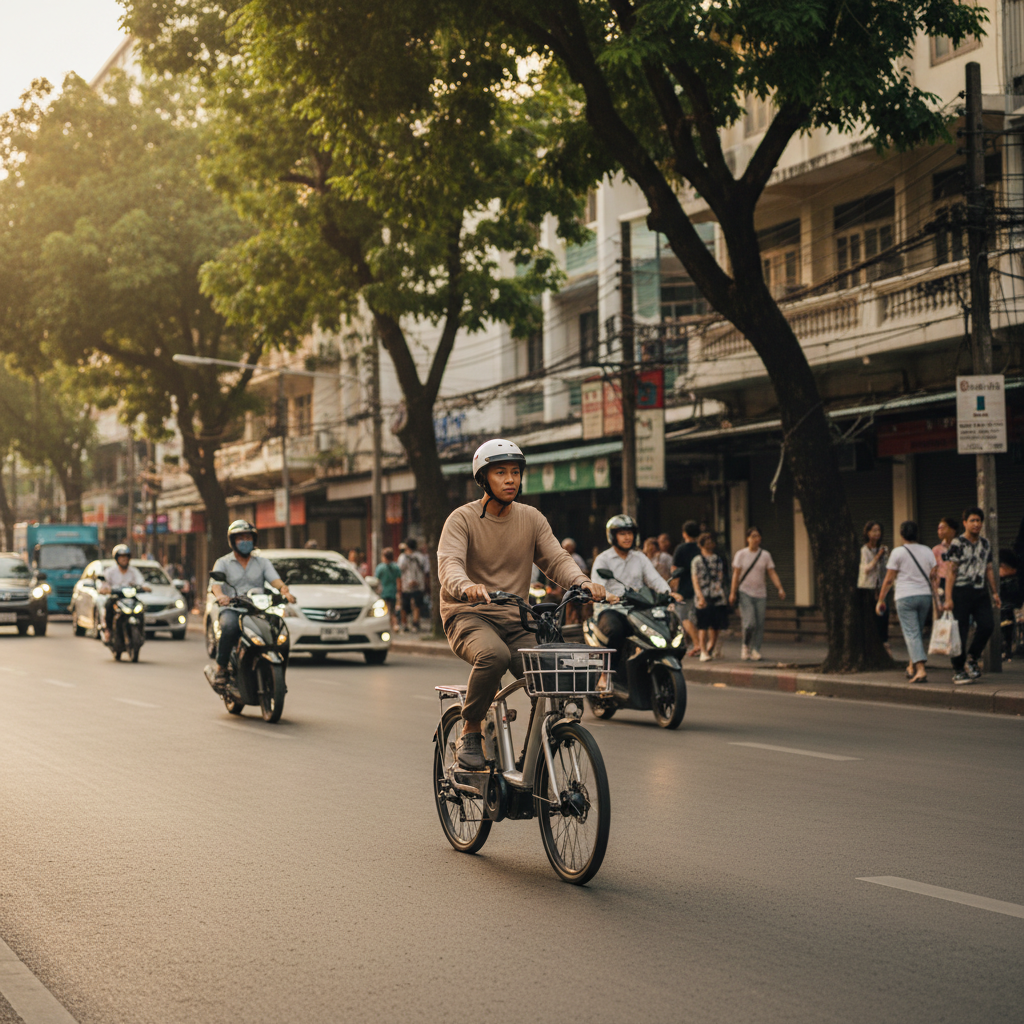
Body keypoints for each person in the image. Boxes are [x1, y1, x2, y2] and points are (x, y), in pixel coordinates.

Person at [437, 439, 604, 769]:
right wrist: (466, 586)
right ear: (484, 478)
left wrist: (582, 582)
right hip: (468, 615)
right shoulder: (462, 519)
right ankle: (470, 730)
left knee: (549, 673)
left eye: (515, 472)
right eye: (501, 473)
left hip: (517, 619)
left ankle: (537, 753)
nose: (510, 479)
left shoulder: (531, 518)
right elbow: (449, 564)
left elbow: (556, 559)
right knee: (493, 655)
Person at [590, 515, 682, 690]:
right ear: (612, 536)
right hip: (611, 608)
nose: (627, 537)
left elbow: (655, 580)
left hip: (638, 608)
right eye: (622, 533)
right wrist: (607, 596)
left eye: (630, 533)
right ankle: (605, 674)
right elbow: (597, 586)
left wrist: (669, 594)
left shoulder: (639, 558)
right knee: (616, 632)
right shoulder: (603, 559)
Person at [210, 520, 297, 688]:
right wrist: (221, 596)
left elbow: (275, 580)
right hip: (232, 608)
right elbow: (215, 585)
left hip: (258, 609)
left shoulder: (262, 562)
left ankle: (277, 673)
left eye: (248, 537)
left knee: (278, 629)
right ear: (233, 541)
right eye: (240, 538)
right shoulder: (223, 562)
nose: (245, 541)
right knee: (229, 627)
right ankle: (221, 667)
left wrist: (284, 591)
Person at [944, 506, 1001, 684]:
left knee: (987, 625)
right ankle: (958, 669)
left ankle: (972, 658)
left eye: (978, 521)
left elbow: (989, 569)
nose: (976, 524)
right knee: (959, 632)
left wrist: (995, 593)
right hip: (961, 592)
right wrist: (948, 598)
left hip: (980, 592)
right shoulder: (957, 543)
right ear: (965, 523)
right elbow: (951, 571)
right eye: (972, 521)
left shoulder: (985, 544)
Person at [876, 521, 937, 684]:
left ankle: (921, 670)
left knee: (911, 634)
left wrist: (881, 599)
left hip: (905, 596)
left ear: (901, 534)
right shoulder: (927, 551)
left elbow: (889, 580)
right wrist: (936, 597)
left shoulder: (898, 553)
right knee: (916, 632)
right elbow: (934, 577)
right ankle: (911, 667)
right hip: (925, 596)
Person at [728, 526, 786, 661]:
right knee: (749, 623)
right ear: (747, 538)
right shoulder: (741, 554)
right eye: (752, 536)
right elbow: (736, 575)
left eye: (758, 536)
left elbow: (771, 572)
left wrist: (780, 588)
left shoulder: (765, 555)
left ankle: (756, 649)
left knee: (760, 623)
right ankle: (745, 646)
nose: (755, 539)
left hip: (761, 593)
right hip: (745, 592)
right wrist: (733, 593)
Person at [99, 544, 150, 644]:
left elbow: (141, 582)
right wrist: (104, 589)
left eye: (126, 557)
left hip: (130, 598)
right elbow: (104, 584)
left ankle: (141, 631)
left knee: (141, 607)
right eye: (121, 557)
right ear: (117, 559)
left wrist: (145, 587)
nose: (124, 560)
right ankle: (108, 630)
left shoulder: (133, 571)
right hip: (116, 598)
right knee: (108, 605)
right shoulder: (110, 572)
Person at [691, 532, 728, 661]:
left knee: (716, 625)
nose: (709, 543)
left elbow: (720, 576)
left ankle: (710, 647)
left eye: (711, 541)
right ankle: (703, 651)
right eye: (706, 541)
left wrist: (720, 590)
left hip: (717, 595)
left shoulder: (718, 559)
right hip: (703, 595)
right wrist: (700, 596)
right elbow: (695, 579)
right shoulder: (697, 560)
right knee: (703, 625)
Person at [671, 521, 702, 655]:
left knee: (683, 617)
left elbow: (674, 570)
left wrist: (673, 588)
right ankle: (693, 643)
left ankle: (697, 644)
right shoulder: (701, 547)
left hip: (685, 588)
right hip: (702, 587)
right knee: (696, 617)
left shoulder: (681, 549)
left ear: (684, 534)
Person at [859, 521, 889, 652]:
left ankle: (884, 643)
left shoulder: (884, 549)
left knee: (883, 615)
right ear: (867, 533)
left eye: (879, 530)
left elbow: (887, 567)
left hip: (881, 588)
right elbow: (866, 569)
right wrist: (877, 556)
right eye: (874, 530)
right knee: (869, 617)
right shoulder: (864, 550)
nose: (877, 533)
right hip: (867, 587)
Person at [398, 537, 430, 633]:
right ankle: (416, 624)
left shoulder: (402, 557)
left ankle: (405, 625)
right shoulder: (421, 557)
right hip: (419, 584)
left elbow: (399, 570)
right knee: (417, 605)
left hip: (405, 585)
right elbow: (426, 570)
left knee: (404, 606)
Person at [998, 550, 1022, 660]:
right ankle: (1006, 651)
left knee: (1007, 629)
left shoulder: (1014, 580)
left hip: (1010, 610)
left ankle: (1007, 651)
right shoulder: (1015, 579)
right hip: (1008, 609)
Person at [375, 546, 402, 630]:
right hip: (393, 592)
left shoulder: (380, 567)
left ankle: (386, 625)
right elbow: (399, 581)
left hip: (383, 592)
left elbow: (376, 580)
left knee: (384, 610)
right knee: (393, 610)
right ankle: (394, 625)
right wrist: (399, 592)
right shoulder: (396, 567)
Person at [932, 516, 958, 603]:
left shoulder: (961, 547)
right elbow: (934, 571)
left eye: (943, 528)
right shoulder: (936, 550)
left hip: (959, 582)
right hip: (942, 583)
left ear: (953, 530)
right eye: (938, 528)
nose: (940, 531)